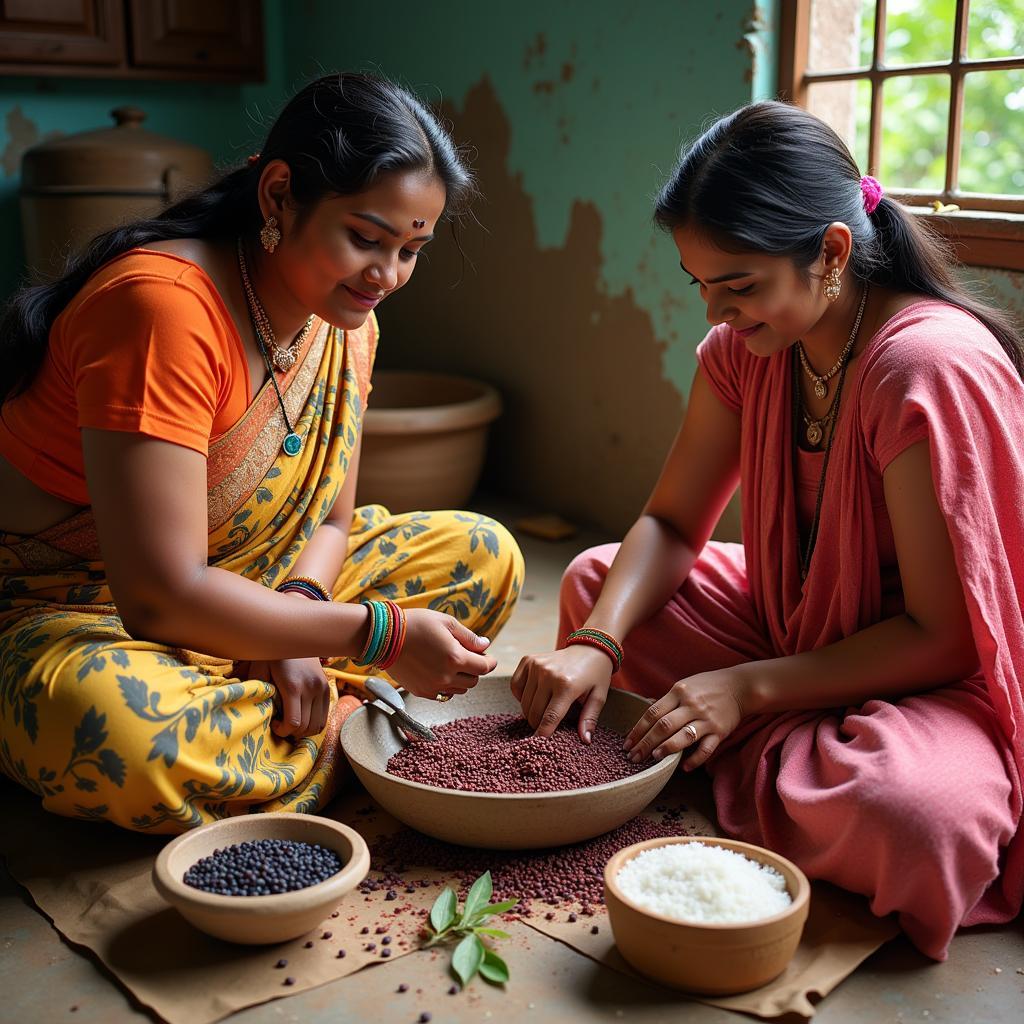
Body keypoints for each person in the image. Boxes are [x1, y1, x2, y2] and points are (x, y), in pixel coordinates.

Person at [511, 100, 1024, 961]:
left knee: (910, 817)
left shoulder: (924, 367)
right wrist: (597, 642)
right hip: (795, 620)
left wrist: (747, 690)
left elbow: (946, 638)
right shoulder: (746, 352)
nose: (713, 313)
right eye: (699, 284)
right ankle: (769, 757)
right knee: (597, 584)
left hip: (930, 677)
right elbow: (673, 521)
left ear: (830, 252)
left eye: (738, 285)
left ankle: (722, 747)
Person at [0, 73, 523, 834]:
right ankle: (358, 734)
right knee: (116, 730)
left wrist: (296, 616)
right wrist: (374, 635)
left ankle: (283, 725)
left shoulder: (347, 322)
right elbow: (159, 597)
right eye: (366, 238)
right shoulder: (163, 309)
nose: (388, 277)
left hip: (258, 583)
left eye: (413, 249)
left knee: (484, 552)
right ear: (278, 194)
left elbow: (332, 526)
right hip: (80, 611)